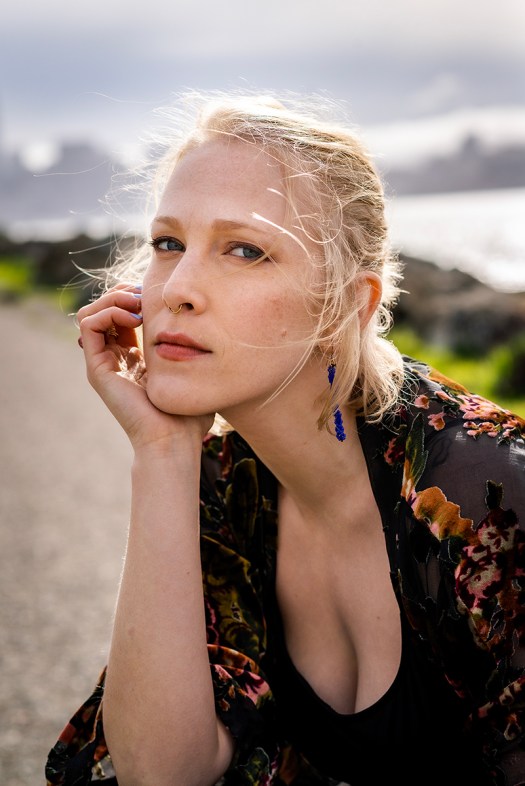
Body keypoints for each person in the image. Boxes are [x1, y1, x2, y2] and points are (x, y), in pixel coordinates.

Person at [45, 92, 525, 786]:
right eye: (168, 243)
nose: (176, 288)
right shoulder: (225, 484)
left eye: (245, 250)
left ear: (346, 307)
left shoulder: (489, 499)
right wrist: (163, 454)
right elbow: (161, 771)